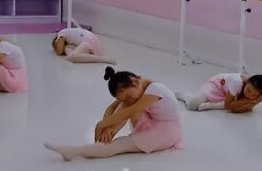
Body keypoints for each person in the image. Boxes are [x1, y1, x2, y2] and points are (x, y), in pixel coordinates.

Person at [44, 67, 182, 160]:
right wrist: (108, 129)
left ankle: (76, 152)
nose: (128, 99)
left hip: (167, 132)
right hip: (153, 121)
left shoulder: (155, 90)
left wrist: (101, 124)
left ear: (135, 81)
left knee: (120, 143)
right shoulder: (139, 86)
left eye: (128, 96)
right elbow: (113, 107)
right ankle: (103, 142)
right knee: (125, 105)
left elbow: (129, 112)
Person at [175, 72, 262, 113]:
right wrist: (248, 101)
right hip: (217, 86)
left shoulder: (259, 96)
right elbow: (228, 106)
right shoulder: (237, 83)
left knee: (233, 103)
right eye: (248, 90)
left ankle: (211, 104)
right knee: (193, 105)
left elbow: (241, 109)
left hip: (229, 93)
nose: (249, 95)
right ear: (248, 81)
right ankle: (185, 96)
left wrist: (249, 103)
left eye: (254, 95)